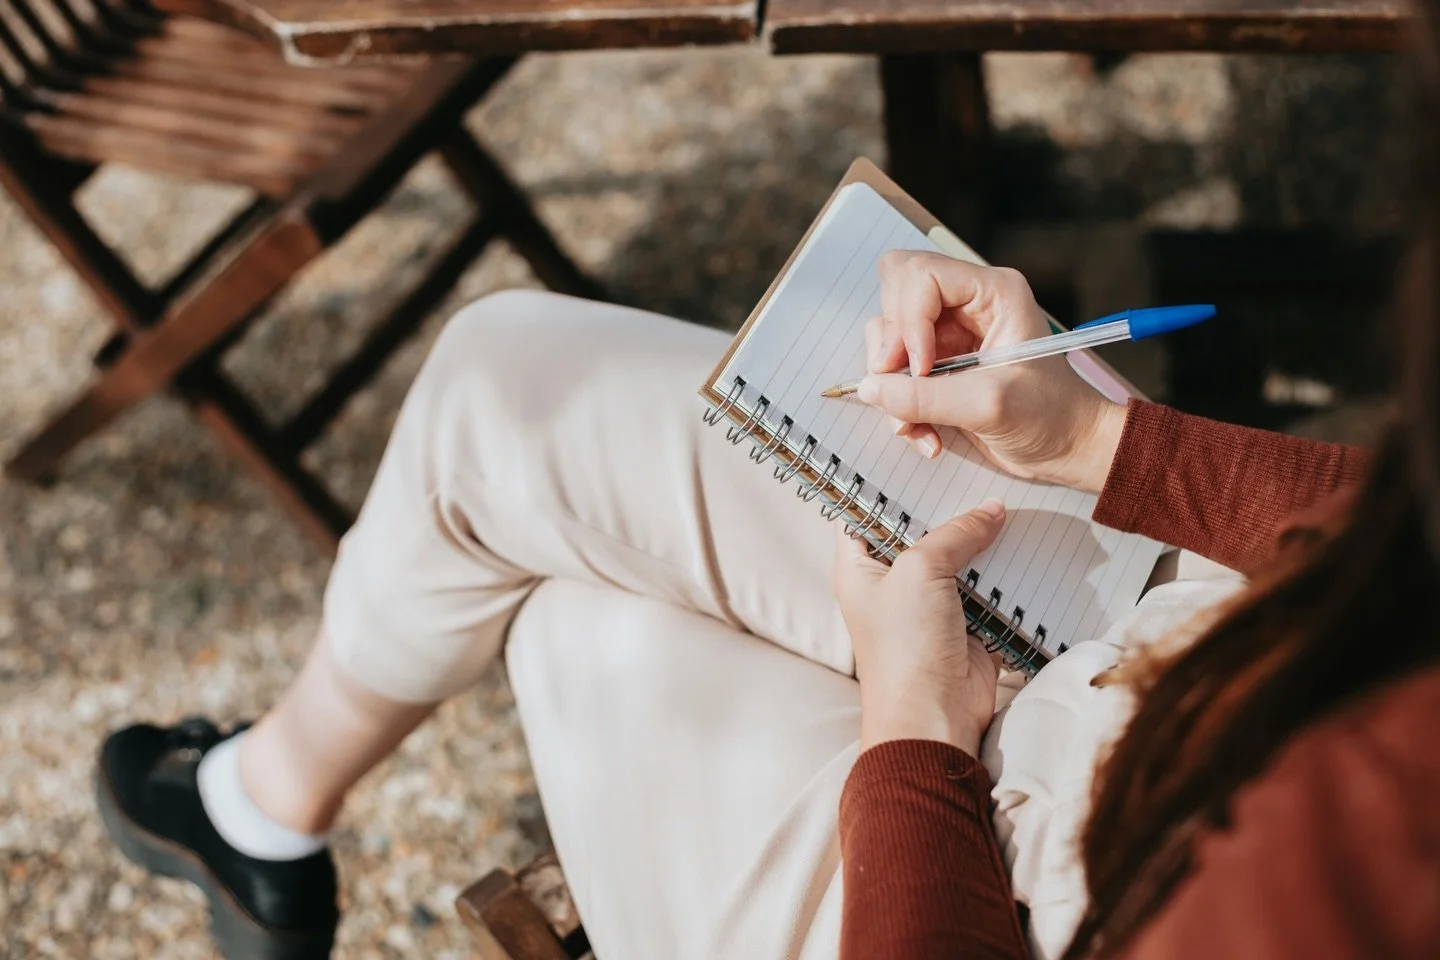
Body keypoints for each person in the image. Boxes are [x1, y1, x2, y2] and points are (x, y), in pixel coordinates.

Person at [97, 31, 1440, 960]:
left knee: (579, 619)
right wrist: (1099, 444)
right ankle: (260, 806)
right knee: (506, 380)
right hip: (1204, 608)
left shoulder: (1355, 844)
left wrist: (911, 724)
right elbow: (1408, 535)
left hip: (1044, 892)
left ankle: (257, 813)